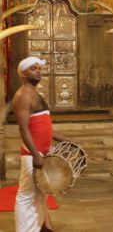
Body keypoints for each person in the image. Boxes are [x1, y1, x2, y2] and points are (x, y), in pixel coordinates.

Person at [12, 56, 70, 232]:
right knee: (25, 196)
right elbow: (23, 129)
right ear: (23, 73)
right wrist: (36, 154)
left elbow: (40, 126)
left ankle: (40, 227)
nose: (38, 71)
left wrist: (62, 138)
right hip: (32, 155)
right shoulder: (22, 95)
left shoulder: (34, 93)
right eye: (33, 68)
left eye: (39, 68)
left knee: (39, 194)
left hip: (40, 153)